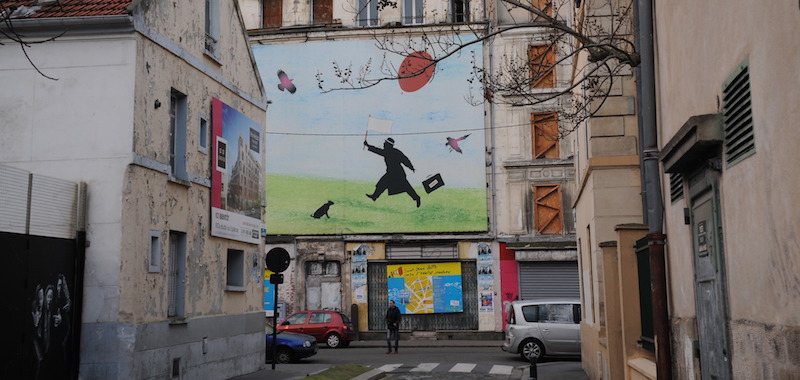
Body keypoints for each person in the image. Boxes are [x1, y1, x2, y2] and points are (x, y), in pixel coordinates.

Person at [364, 138, 421, 207]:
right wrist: (367, 145)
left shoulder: (392, 152)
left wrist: (411, 167)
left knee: (407, 187)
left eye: (385, 143)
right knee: (381, 184)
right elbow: (377, 150)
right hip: (390, 173)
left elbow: (405, 159)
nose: (383, 144)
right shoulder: (388, 151)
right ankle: (374, 196)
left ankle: (417, 198)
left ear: (388, 145)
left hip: (398, 174)